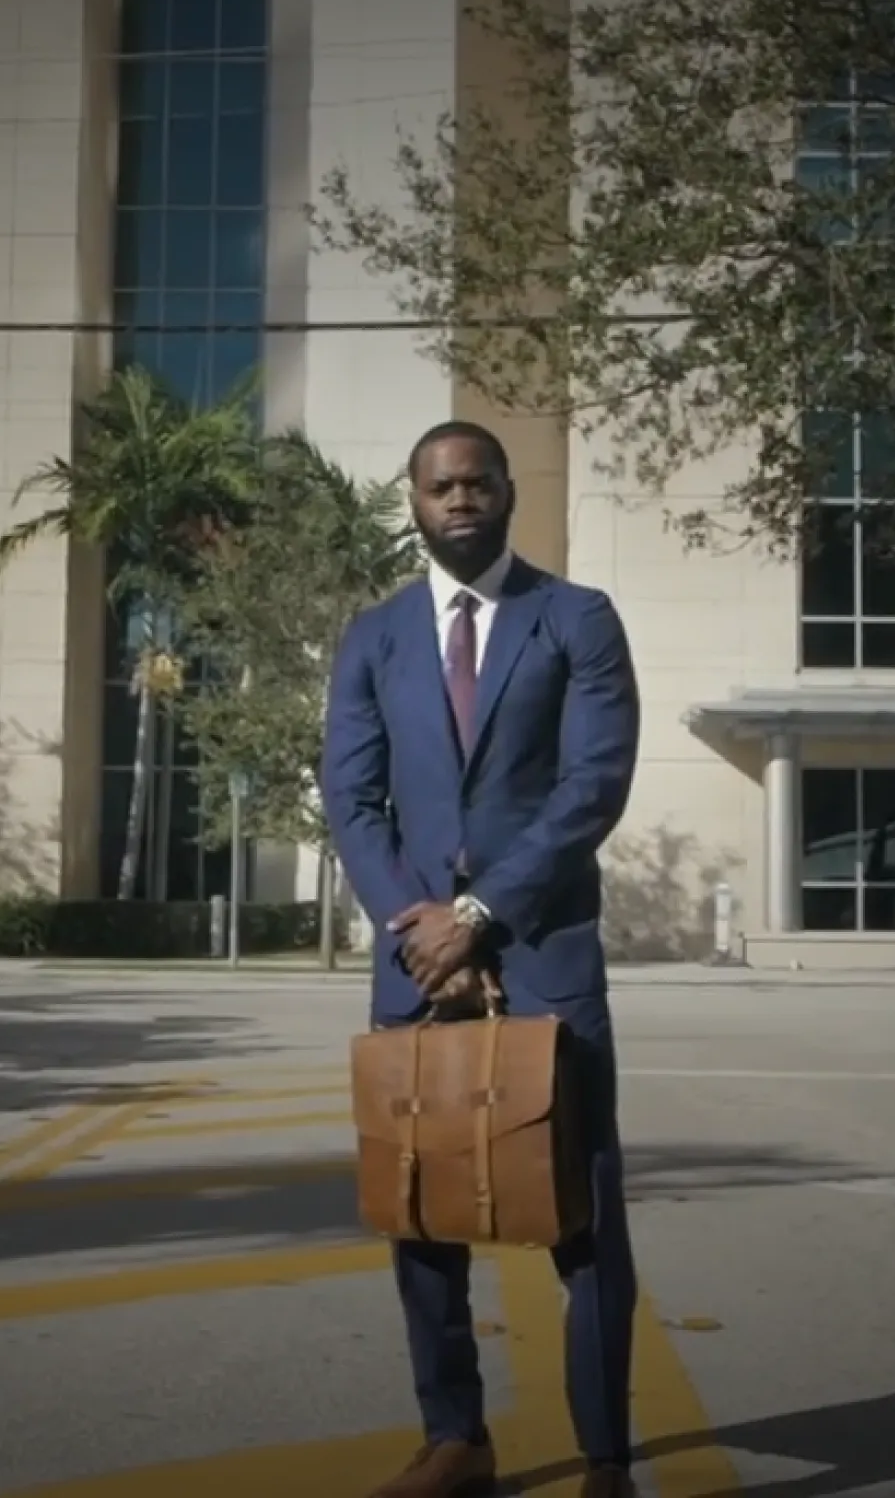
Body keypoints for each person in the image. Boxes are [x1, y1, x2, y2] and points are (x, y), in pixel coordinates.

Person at [320, 421, 642, 1498]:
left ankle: (604, 1457)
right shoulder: (373, 637)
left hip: (543, 954)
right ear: (410, 501)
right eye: (437, 486)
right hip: (412, 964)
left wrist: (479, 912)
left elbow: (589, 786)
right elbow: (353, 799)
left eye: (475, 482)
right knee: (418, 1207)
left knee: (580, 1216)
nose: (457, 499)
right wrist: (418, 924)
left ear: (505, 493)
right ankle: (455, 1437)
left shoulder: (576, 620)